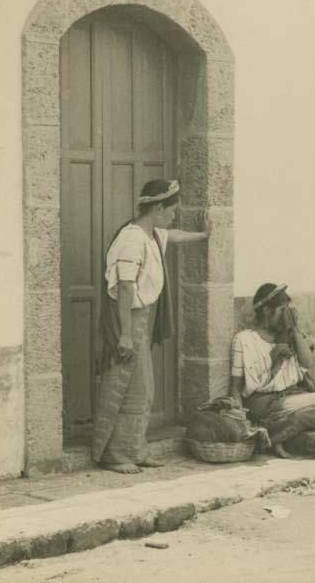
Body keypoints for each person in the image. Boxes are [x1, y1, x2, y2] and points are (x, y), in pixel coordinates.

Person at [92, 179, 210, 474]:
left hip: (141, 319)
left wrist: (204, 234)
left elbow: (175, 235)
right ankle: (115, 455)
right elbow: (126, 286)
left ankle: (135, 449)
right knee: (126, 388)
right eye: (172, 210)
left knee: (142, 389)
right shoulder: (132, 238)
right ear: (158, 208)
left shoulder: (152, 234)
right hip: (127, 320)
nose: (174, 215)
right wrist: (126, 336)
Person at [230, 283, 315, 458]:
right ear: (266, 311)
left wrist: (294, 329)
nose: (286, 316)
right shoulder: (244, 340)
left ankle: (273, 434)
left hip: (290, 398)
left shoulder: (290, 335)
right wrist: (240, 421)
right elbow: (235, 387)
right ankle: (278, 432)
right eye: (282, 311)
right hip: (263, 403)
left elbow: (307, 362)